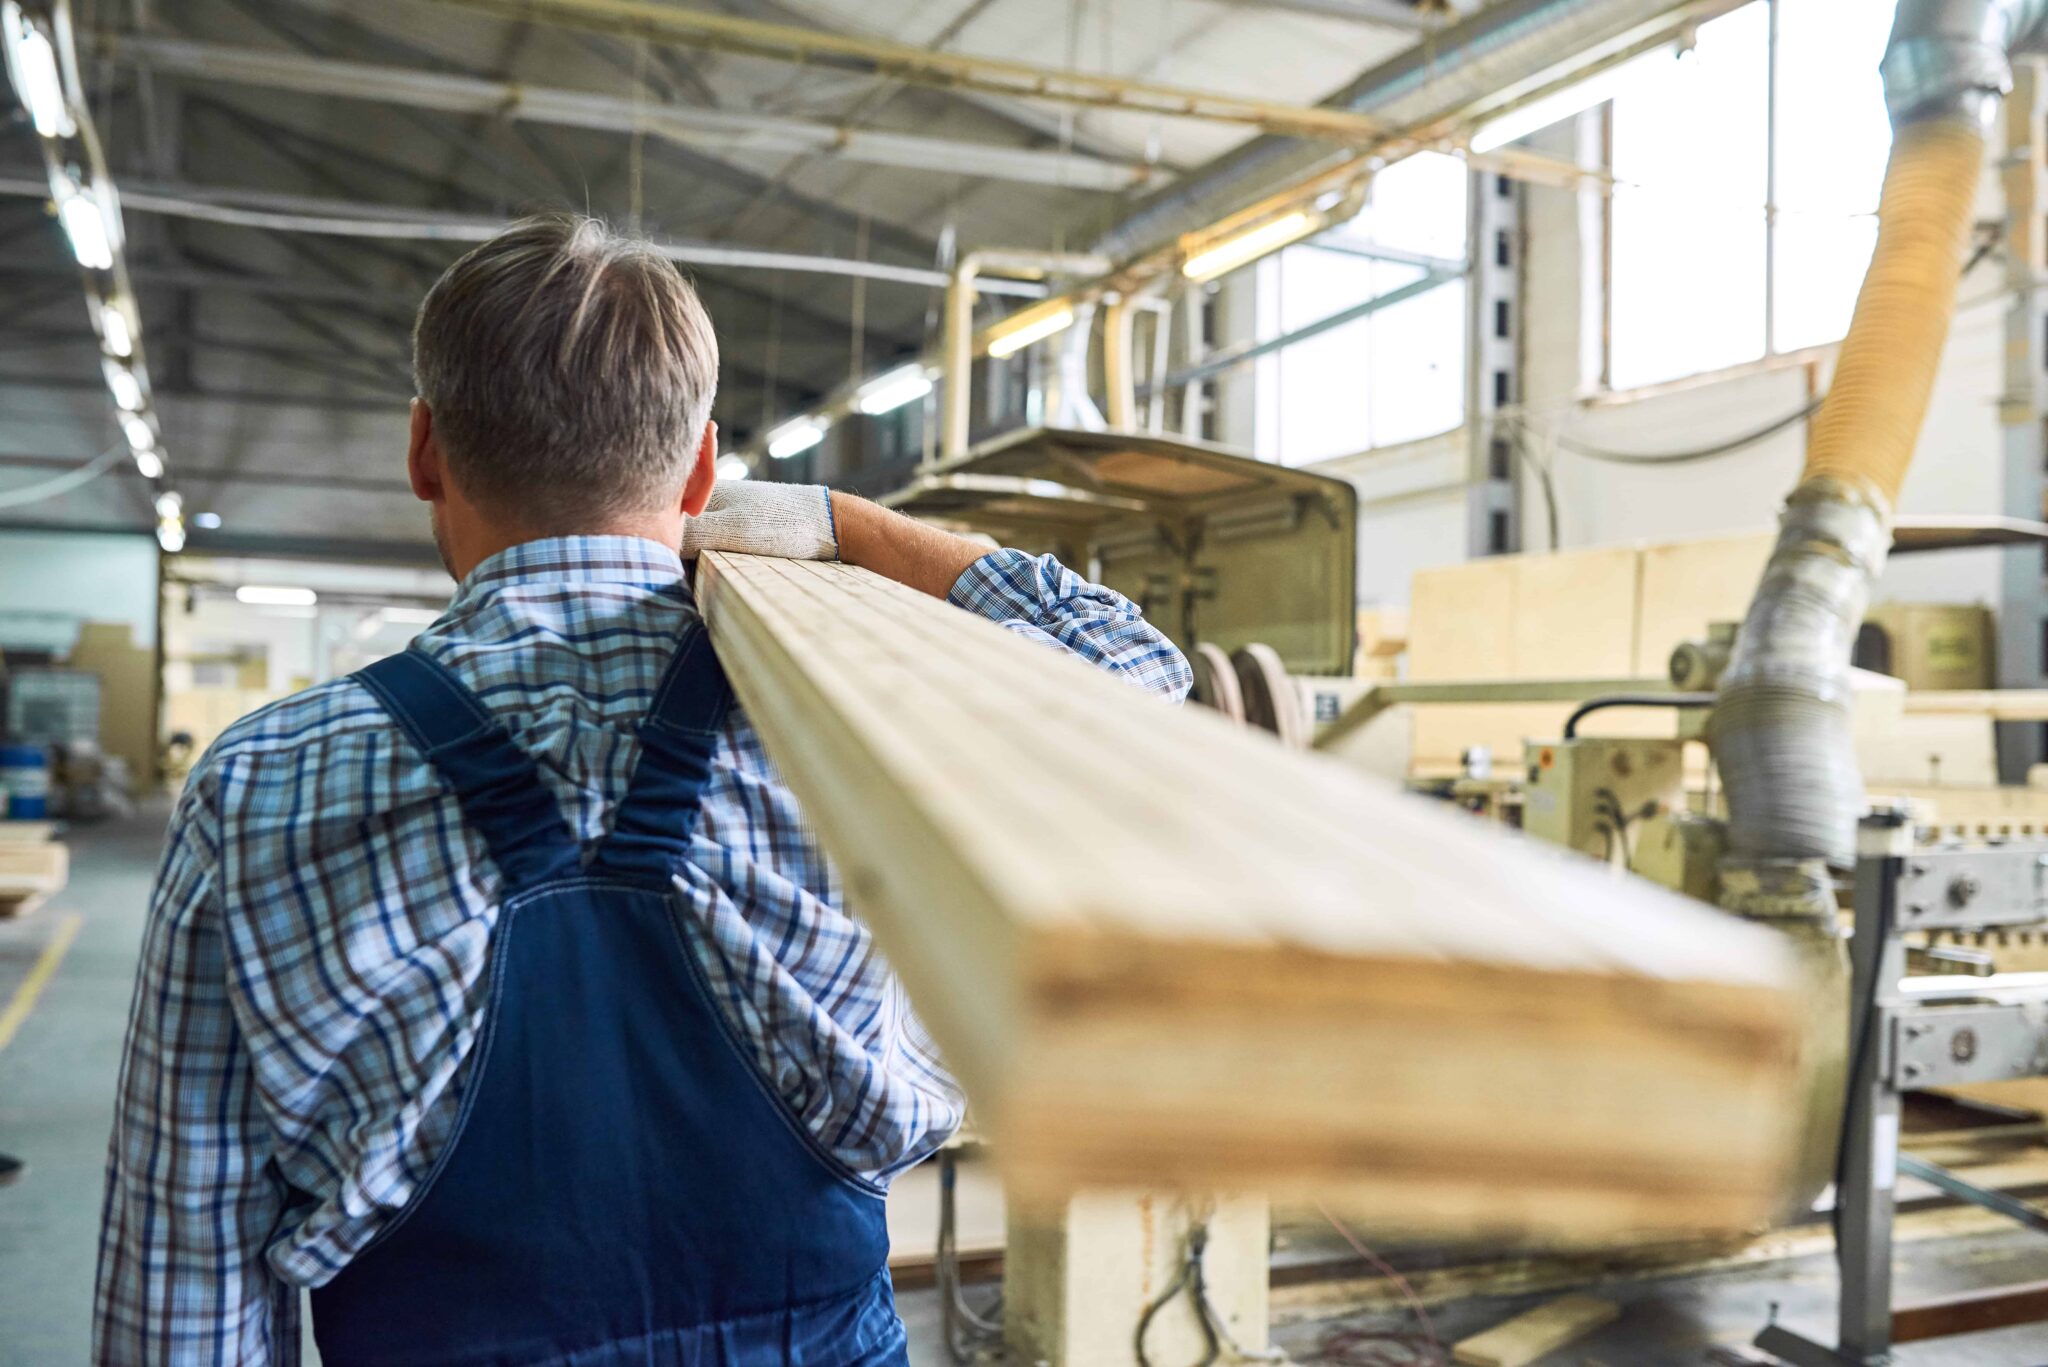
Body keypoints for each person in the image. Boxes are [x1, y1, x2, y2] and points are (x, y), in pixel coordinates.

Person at [92, 214, 1191, 1365]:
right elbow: (1137, 671)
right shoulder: (844, 714)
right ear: (707, 465)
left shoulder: (263, 780)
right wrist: (842, 523)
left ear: (425, 451)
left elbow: (181, 1282)